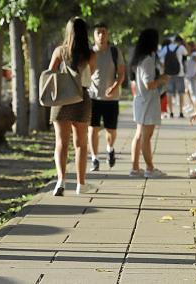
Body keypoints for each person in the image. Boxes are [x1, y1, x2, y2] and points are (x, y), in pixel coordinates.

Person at [49, 17, 97, 196]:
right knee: (81, 144)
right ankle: (80, 184)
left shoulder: (60, 51)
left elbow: (50, 73)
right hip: (81, 98)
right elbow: (91, 74)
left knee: (61, 143)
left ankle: (61, 180)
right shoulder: (90, 55)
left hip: (61, 99)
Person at [129, 28, 170, 178]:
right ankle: (149, 168)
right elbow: (149, 84)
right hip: (148, 101)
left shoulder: (141, 58)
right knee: (146, 137)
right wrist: (162, 80)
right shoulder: (147, 60)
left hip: (141, 100)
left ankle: (135, 168)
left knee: (139, 135)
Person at [88, 22, 125, 171]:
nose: (101, 35)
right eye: (98, 33)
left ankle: (110, 149)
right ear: (94, 35)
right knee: (93, 129)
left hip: (111, 98)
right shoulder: (90, 53)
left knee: (111, 131)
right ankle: (94, 159)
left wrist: (114, 86)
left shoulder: (115, 52)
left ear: (108, 34)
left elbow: (122, 73)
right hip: (93, 97)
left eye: (104, 32)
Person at [159, 35, 188, 118]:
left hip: (168, 74)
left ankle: (171, 112)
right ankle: (181, 112)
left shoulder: (166, 48)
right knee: (181, 93)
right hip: (180, 73)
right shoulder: (181, 47)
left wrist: (164, 67)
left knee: (169, 93)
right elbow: (187, 53)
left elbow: (160, 57)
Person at [184, 41, 196, 112]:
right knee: (192, 93)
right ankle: (195, 108)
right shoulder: (192, 54)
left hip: (193, 76)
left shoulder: (194, 54)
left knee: (194, 93)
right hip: (190, 76)